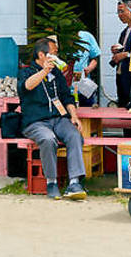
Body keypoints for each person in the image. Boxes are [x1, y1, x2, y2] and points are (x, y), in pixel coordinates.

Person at [18, 38, 86, 200]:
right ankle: (51, 182)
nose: (57, 55)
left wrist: (74, 116)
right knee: (48, 139)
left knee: (74, 135)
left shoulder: (56, 73)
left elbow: (66, 97)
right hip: (35, 122)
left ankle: (75, 182)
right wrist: (44, 72)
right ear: (42, 54)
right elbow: (27, 86)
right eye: (54, 52)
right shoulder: (26, 71)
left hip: (58, 119)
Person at [109, 0, 131, 108]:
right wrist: (117, 51)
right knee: (122, 105)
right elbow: (125, 49)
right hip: (121, 74)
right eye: (118, 12)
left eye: (122, 11)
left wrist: (125, 55)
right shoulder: (124, 32)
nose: (119, 15)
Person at [72, 30, 100, 106]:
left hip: (83, 83)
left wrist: (90, 68)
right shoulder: (59, 36)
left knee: (88, 111)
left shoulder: (87, 36)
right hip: (65, 86)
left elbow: (95, 58)